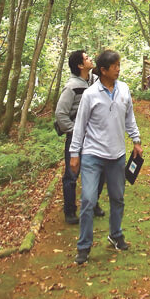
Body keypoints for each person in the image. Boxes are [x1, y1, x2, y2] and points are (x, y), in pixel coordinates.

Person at [69, 49, 143, 265]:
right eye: (115, 66)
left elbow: (130, 118)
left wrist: (136, 141)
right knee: (88, 200)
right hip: (93, 155)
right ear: (103, 70)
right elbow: (80, 126)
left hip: (117, 155)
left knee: (118, 198)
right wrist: (75, 154)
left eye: (119, 65)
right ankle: (84, 246)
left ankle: (116, 235)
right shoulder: (91, 94)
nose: (118, 69)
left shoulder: (124, 90)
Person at [55, 49, 105, 225]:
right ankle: (69, 211)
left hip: (95, 137)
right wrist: (76, 131)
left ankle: (92, 204)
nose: (90, 58)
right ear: (80, 65)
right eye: (87, 58)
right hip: (76, 139)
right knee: (71, 174)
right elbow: (60, 115)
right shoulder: (71, 87)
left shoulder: (93, 81)